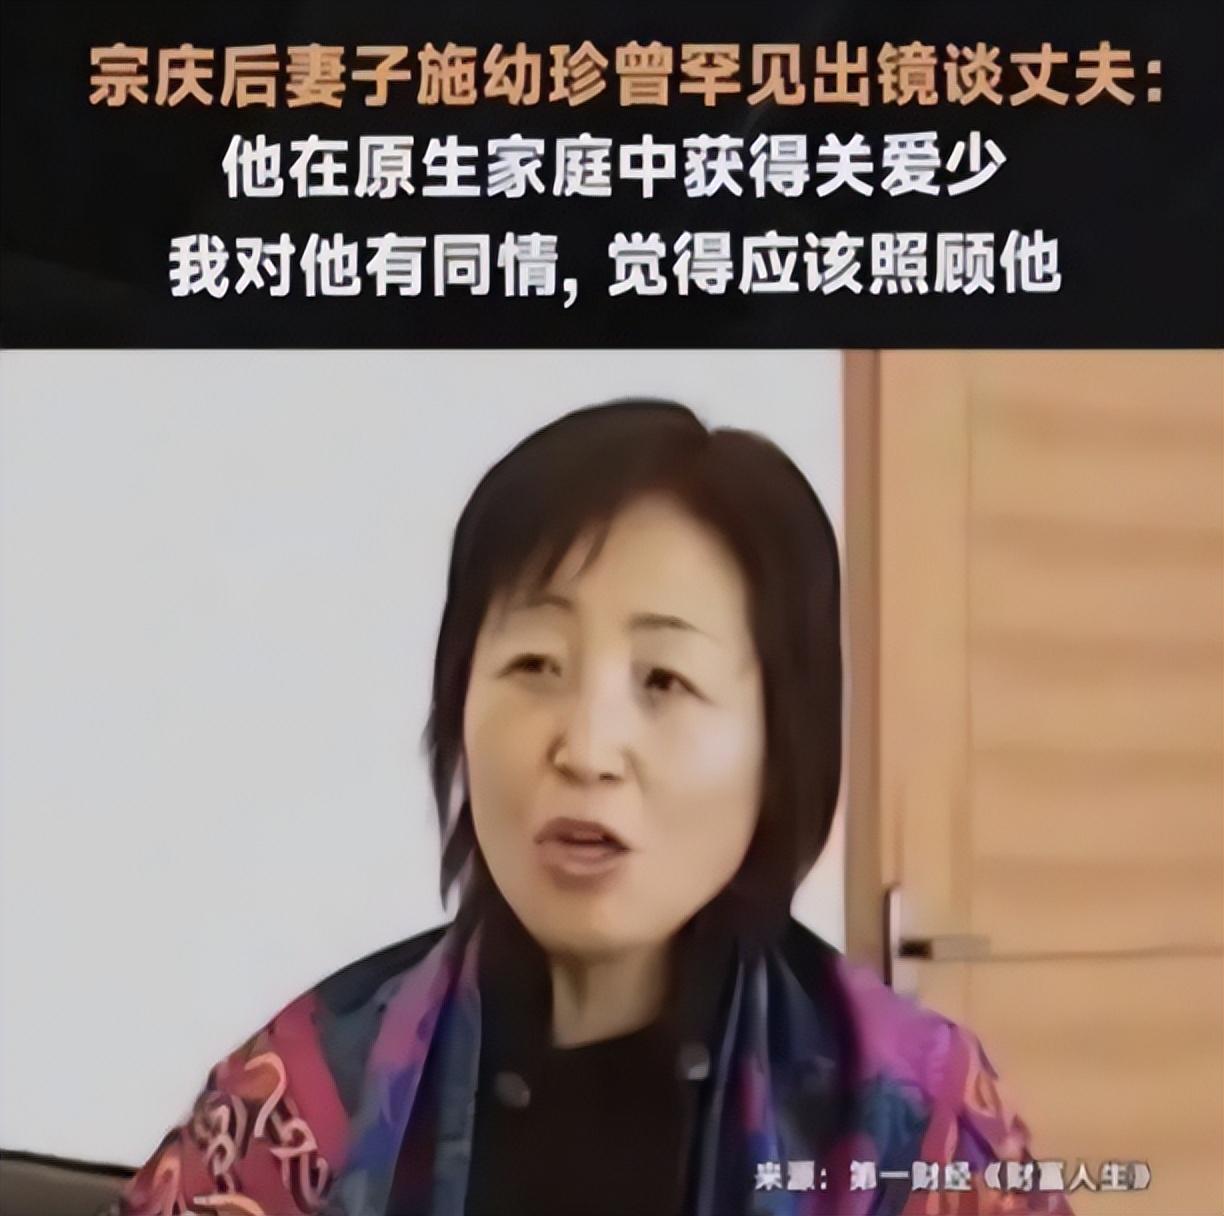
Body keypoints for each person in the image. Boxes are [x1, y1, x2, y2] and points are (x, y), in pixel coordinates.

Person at [114, 401, 1071, 1216]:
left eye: (664, 680)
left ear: (782, 745)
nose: (585, 749)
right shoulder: (309, 1097)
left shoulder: (912, 1116)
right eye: (535, 665)